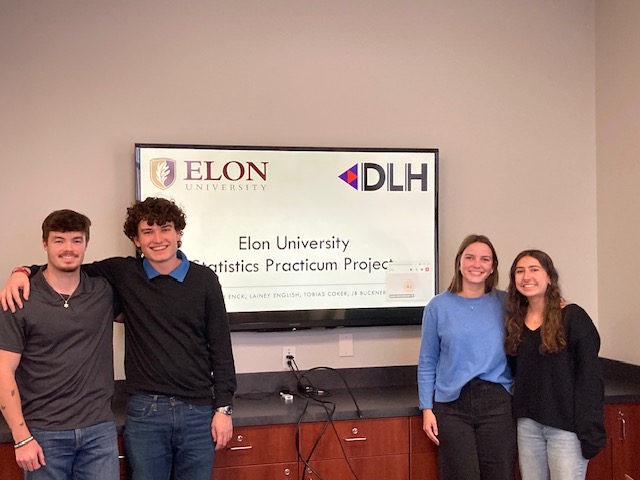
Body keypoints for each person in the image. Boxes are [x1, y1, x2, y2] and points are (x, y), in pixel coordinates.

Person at [1, 197, 237, 480]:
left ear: (178, 234)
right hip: (144, 411)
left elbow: (221, 347)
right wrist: (22, 271)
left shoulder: (204, 280)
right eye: (147, 232)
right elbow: (65, 267)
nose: (158, 238)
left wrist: (224, 407)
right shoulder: (123, 273)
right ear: (136, 240)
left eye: (165, 229)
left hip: (198, 411)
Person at [0, 210, 119, 479]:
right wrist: (21, 438)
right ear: (45, 244)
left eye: (77, 240)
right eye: (59, 240)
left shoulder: (102, 291)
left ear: (86, 244)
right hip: (43, 434)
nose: (68, 248)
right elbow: (3, 371)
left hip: (99, 432)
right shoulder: (19, 298)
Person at [417, 234, 515, 480]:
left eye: (485, 259)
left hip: (496, 403)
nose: (476, 264)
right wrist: (426, 408)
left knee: (499, 474)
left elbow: (539, 311)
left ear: (492, 267)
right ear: (459, 262)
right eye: (469, 257)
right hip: (452, 407)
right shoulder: (437, 306)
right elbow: (428, 360)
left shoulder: (507, 303)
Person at [504, 250, 605, 480]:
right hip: (528, 427)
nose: (526, 276)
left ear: (549, 276)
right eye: (520, 271)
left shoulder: (573, 317)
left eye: (534, 269)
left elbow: (590, 378)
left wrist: (590, 431)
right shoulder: (515, 322)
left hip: (566, 429)